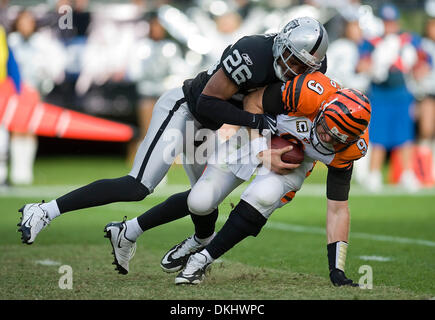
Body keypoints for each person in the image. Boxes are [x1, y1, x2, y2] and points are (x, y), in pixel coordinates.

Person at [17, 17, 328, 276]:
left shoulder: (308, 73)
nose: (293, 70)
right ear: (281, 44)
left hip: (211, 125)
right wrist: (257, 123)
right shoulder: (254, 52)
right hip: (185, 109)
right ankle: (43, 211)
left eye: (302, 66)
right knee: (138, 185)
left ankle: (128, 232)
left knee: (203, 202)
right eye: (291, 59)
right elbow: (208, 101)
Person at [172, 73, 370, 287]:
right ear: (321, 110)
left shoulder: (350, 151)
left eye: (337, 138)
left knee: (264, 197)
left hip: (294, 162)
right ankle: (197, 240)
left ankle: (201, 260)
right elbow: (252, 102)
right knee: (199, 202)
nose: (327, 139)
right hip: (256, 135)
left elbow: (338, 209)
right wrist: (261, 151)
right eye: (325, 128)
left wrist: (337, 270)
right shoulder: (307, 93)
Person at [359, 3, 431, 192]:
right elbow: (361, 64)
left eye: (392, 21)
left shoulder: (410, 40)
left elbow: (425, 62)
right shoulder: (372, 41)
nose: (389, 25)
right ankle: (374, 174)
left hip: (403, 94)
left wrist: (415, 69)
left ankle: (408, 174)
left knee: (404, 136)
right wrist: (375, 67)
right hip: (379, 94)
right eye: (386, 21)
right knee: (378, 136)